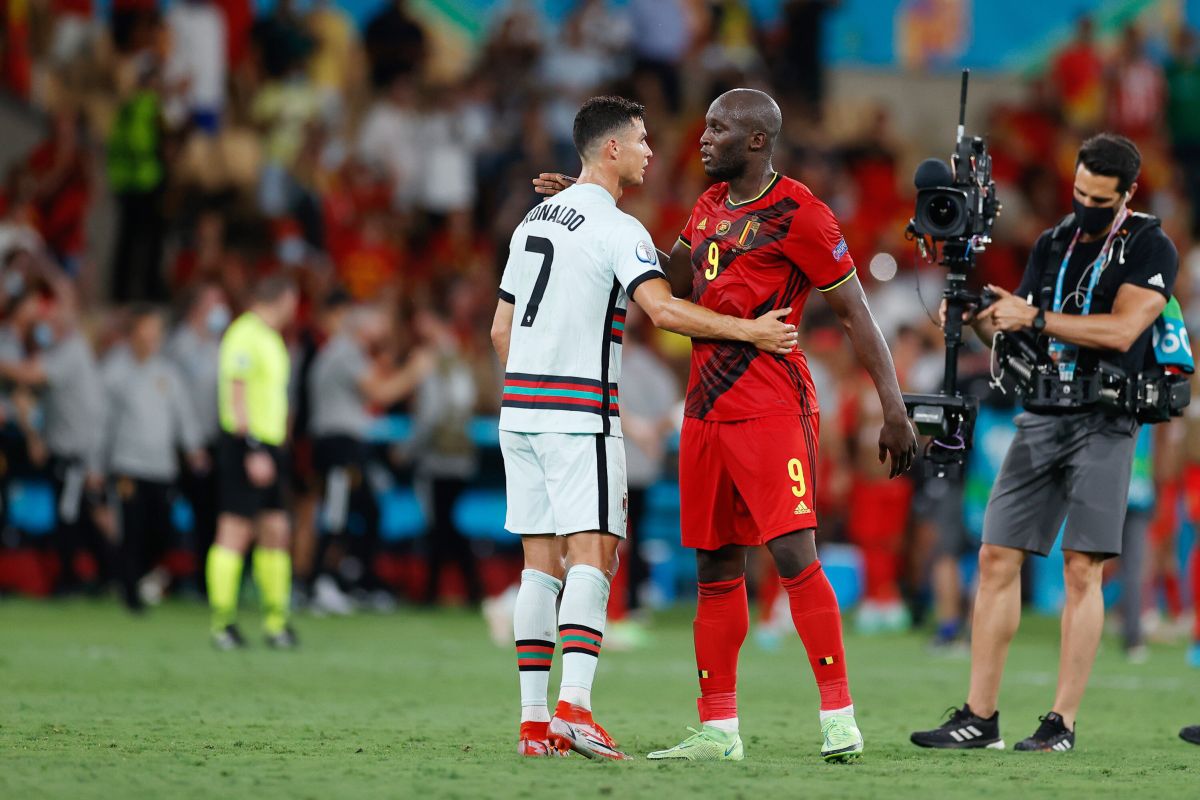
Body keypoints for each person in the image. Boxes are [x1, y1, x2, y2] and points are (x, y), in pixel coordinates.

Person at [532, 89, 916, 763]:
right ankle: (718, 728)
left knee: (794, 554)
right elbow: (669, 277)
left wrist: (893, 406)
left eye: (718, 128)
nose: (703, 138)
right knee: (714, 565)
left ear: (757, 141)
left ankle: (839, 718)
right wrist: (595, 212)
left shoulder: (802, 213)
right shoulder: (708, 205)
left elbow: (855, 311)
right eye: (706, 126)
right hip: (705, 409)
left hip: (772, 405)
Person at [494, 95, 798, 760]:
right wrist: (750, 331)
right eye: (640, 140)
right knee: (595, 555)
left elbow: (499, 331)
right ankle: (575, 710)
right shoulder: (619, 227)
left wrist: (534, 387)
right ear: (611, 150)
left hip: (520, 413)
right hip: (580, 415)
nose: (650, 151)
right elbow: (663, 311)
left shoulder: (531, 220)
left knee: (539, 567)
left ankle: (534, 723)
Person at [911, 134, 1179, 752]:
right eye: (1079, 192)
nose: (1085, 206)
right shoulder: (1054, 243)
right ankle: (979, 717)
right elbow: (1017, 342)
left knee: (1082, 568)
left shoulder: (1148, 244)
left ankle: (1062, 722)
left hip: (1106, 419)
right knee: (994, 556)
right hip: (1040, 414)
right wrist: (980, 318)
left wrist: (1032, 316)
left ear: (1128, 193)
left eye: (1099, 200)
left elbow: (1124, 329)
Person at [307, 300, 427, 613]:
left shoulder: (344, 352)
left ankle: (354, 579)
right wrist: (414, 372)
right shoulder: (345, 351)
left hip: (344, 444)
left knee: (367, 511)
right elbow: (381, 393)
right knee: (337, 514)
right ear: (363, 327)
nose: (384, 331)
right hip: (339, 445)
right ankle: (321, 582)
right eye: (378, 324)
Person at [205, 275, 299, 649]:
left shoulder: (270, 337)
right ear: (284, 298)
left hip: (269, 446)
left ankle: (276, 624)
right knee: (234, 530)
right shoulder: (243, 334)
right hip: (246, 444)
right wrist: (253, 448)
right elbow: (237, 392)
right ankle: (222, 623)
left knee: (276, 529)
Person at [101, 306, 208, 611]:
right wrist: (96, 463)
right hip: (127, 464)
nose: (151, 338)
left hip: (161, 466)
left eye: (156, 332)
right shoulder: (115, 371)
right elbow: (102, 420)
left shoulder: (167, 373)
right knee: (131, 527)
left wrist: (193, 448)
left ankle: (145, 576)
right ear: (133, 334)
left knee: (160, 527)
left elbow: (183, 414)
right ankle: (129, 589)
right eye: (146, 330)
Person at [164, 283, 229, 594]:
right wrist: (191, 444)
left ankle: (209, 579)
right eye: (213, 302)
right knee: (194, 510)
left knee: (213, 512)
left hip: (217, 440)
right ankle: (179, 575)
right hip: (188, 444)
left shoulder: (220, 345)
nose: (220, 309)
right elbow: (178, 401)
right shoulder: (180, 346)